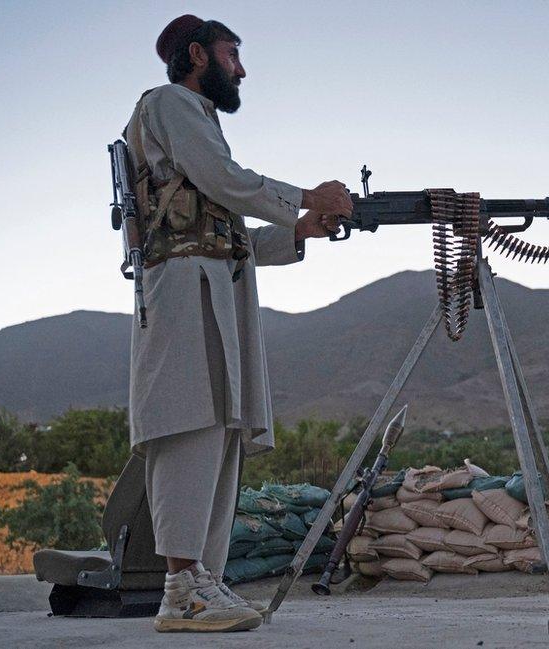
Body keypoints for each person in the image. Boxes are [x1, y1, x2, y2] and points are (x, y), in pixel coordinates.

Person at [123, 15, 353, 633]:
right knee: (187, 424)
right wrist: (308, 195)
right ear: (197, 55)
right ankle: (179, 589)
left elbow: (229, 231)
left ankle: (203, 581)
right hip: (181, 290)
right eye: (232, 56)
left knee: (221, 429)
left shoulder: (197, 121)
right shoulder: (170, 102)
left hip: (212, 286)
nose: (241, 70)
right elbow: (223, 181)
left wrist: (298, 230)